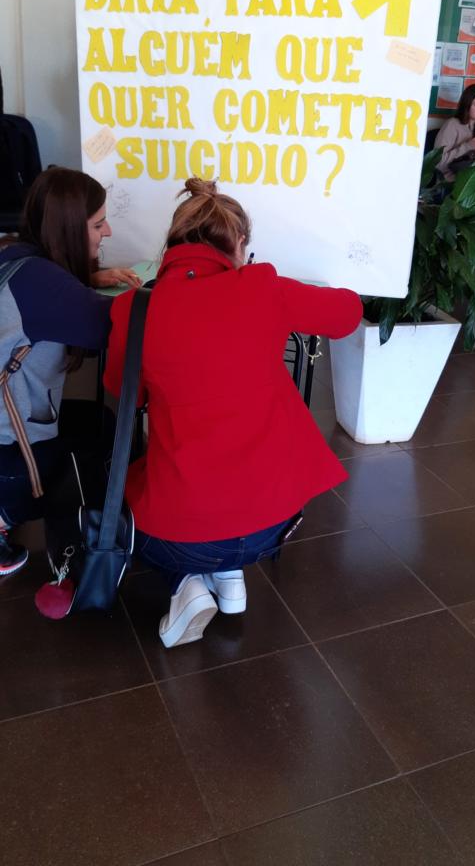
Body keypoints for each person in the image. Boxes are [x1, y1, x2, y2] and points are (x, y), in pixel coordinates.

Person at [104, 177, 363, 648]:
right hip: (272, 524)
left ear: (173, 243)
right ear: (239, 242)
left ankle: (187, 583)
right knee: (226, 498)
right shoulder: (263, 288)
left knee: (135, 490)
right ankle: (228, 578)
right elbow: (348, 314)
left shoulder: (131, 309)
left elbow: (123, 392)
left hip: (179, 533)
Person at [0, 166, 141, 577]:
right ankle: (11, 513)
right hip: (8, 452)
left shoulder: (16, 256)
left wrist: (88, 279)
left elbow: (47, 299)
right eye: (98, 224)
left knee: (99, 424)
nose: (107, 232)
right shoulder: (45, 285)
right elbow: (113, 327)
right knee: (100, 440)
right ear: (67, 229)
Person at [434, 83, 475, 181]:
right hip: (455, 181)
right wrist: (468, 146)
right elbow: (437, 163)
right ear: (467, 105)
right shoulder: (452, 125)